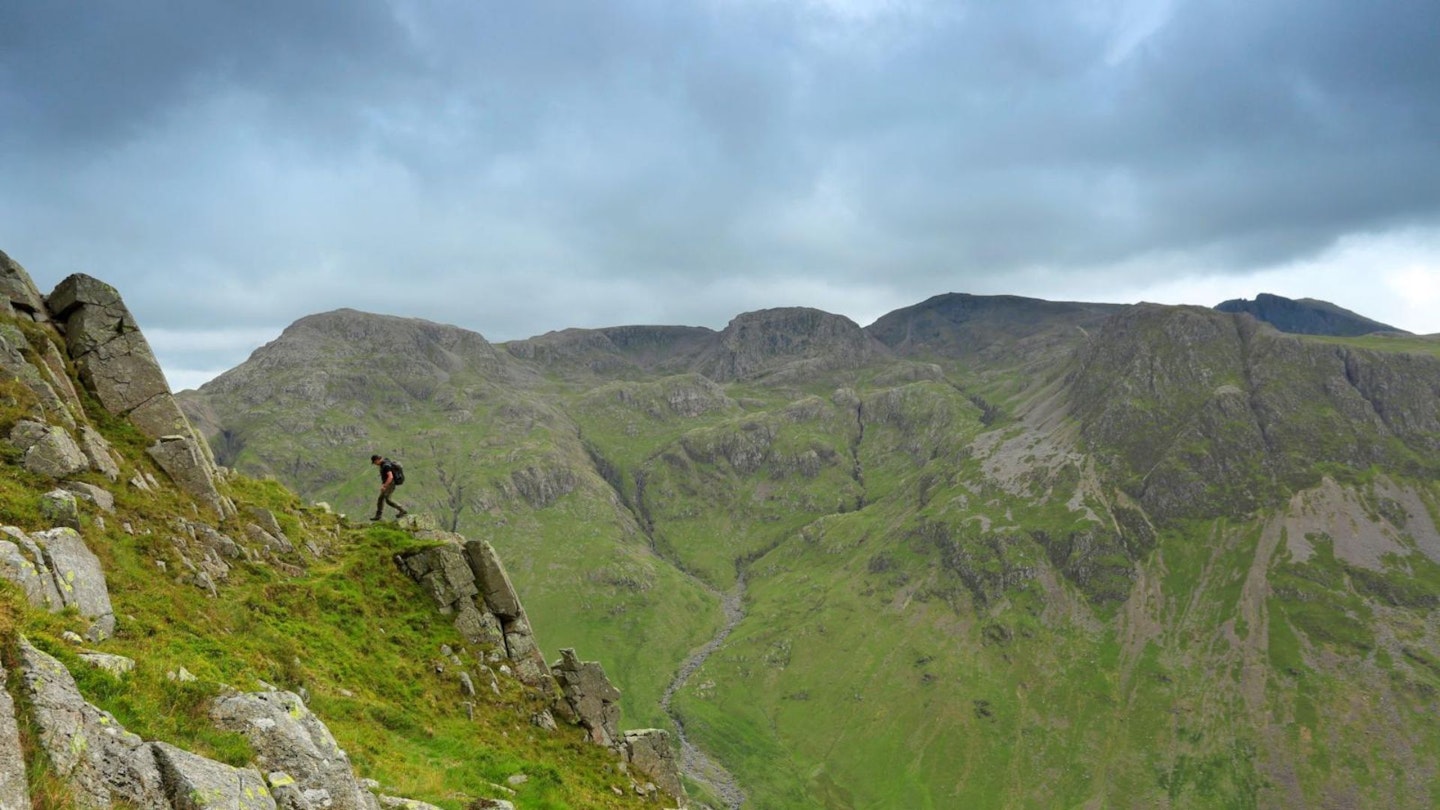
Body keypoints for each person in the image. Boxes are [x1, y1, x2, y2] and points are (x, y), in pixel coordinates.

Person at [370, 454, 408, 521]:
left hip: (390, 484)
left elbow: (390, 477)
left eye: (375, 462)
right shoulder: (385, 462)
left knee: (388, 500)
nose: (375, 464)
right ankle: (378, 516)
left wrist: (384, 486)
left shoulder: (386, 466)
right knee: (380, 499)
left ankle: (402, 510)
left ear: (377, 460)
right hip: (388, 483)